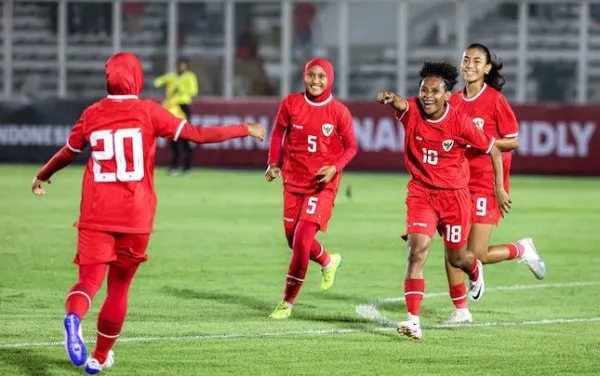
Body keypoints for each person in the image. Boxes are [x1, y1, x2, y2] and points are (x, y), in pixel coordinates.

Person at [31, 52, 265, 375]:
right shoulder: (149, 112)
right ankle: (99, 357)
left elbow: (67, 153)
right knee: (119, 288)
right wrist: (243, 128)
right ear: (136, 78)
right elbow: (197, 135)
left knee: (88, 282)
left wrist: (43, 175)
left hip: (96, 214)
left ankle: (74, 317)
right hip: (135, 216)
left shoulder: (92, 114)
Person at [376, 60, 510, 340]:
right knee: (417, 251)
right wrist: (391, 98)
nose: (427, 96)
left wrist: (499, 187)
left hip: (454, 198)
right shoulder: (413, 110)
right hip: (421, 193)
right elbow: (402, 103)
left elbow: (494, 150)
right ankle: (413, 320)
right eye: (424, 90)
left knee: (458, 257)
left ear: (448, 95)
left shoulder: (460, 122)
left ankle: (475, 269)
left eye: (435, 91)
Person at [443, 43, 546, 325]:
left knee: (476, 254)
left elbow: (513, 141)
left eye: (477, 60)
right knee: (452, 247)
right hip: (458, 183)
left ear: (487, 68)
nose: (470, 64)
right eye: (466, 59)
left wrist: (498, 181)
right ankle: (461, 310)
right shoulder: (453, 102)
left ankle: (522, 250)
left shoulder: (495, 101)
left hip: (487, 183)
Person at [265, 57, 358, 319]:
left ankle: (287, 302)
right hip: (293, 181)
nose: (316, 81)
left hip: (322, 185)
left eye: (322, 77)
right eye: (311, 75)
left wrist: (334, 167)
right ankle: (328, 261)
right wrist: (273, 163)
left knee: (303, 239)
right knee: (293, 242)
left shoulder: (339, 111)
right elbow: (277, 133)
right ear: (304, 76)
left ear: (330, 80)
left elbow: (352, 147)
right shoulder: (291, 103)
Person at [153, 57, 199, 175]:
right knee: (173, 136)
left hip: (183, 106)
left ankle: (187, 166)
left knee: (186, 136)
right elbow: (157, 82)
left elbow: (193, 91)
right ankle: (175, 166)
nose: (181, 67)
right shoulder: (172, 76)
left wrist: (180, 90)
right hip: (172, 107)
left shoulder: (190, 76)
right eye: (180, 65)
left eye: (183, 65)